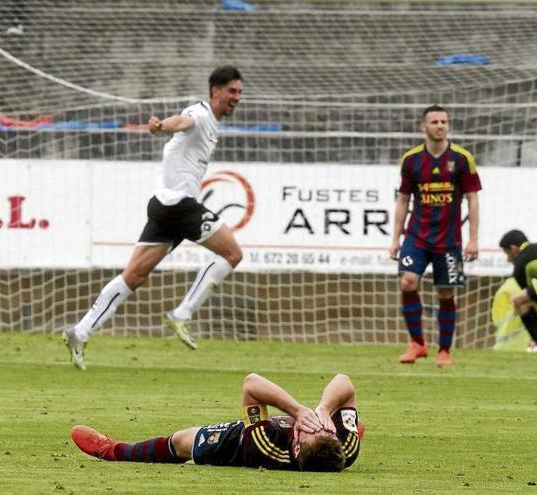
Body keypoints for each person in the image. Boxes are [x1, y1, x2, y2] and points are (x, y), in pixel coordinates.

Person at [62, 66, 245, 369]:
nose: (237, 98)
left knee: (133, 276)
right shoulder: (199, 114)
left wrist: (165, 128)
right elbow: (181, 122)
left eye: (239, 92)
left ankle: (80, 331)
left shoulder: (212, 122)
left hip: (163, 207)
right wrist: (162, 126)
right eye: (232, 92)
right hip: (179, 206)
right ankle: (182, 314)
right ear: (215, 91)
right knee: (232, 253)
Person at [70, 373, 363, 471]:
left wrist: (299, 412)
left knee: (181, 441)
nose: (318, 424)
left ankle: (113, 450)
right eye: (328, 430)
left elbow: (251, 384)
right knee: (343, 413)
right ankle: (352, 423)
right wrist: (326, 409)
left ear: (296, 450)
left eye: (311, 431)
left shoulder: (266, 446)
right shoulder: (346, 448)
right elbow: (344, 382)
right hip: (304, 441)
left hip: (236, 445)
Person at [389, 105, 482, 367]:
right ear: (424, 127)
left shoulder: (462, 158)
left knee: (445, 293)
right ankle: (417, 343)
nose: (440, 125)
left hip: (449, 240)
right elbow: (403, 200)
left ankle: (444, 350)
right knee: (407, 282)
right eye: (434, 122)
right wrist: (395, 238)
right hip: (416, 236)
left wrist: (473, 238)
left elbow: (473, 200)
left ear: (448, 126)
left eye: (444, 121)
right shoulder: (411, 160)